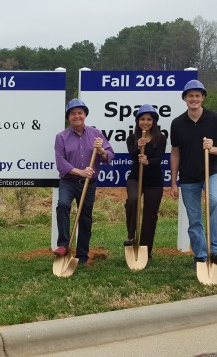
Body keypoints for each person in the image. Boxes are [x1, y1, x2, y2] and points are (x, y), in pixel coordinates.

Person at [170, 80, 217, 269]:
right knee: (194, 217)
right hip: (188, 176)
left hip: (211, 172)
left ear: (203, 97)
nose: (194, 99)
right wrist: (173, 181)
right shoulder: (177, 123)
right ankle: (200, 256)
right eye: (190, 96)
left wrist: (212, 148)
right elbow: (175, 152)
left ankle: (216, 251)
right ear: (185, 99)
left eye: (197, 95)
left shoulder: (216, 120)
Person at [54, 98, 114, 265]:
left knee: (85, 218)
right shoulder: (61, 137)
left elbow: (109, 156)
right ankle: (64, 245)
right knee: (63, 205)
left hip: (89, 184)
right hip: (69, 181)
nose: (77, 116)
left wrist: (101, 150)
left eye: (80, 113)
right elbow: (61, 163)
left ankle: (82, 255)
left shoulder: (96, 134)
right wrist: (80, 171)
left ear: (85, 115)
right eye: (73, 114)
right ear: (68, 117)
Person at [123, 104, 167, 261]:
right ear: (137, 121)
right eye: (142, 119)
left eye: (149, 119)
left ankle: (145, 249)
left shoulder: (160, 138)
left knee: (150, 214)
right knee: (133, 200)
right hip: (135, 178)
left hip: (154, 181)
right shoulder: (132, 138)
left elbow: (160, 158)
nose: (146, 122)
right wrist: (138, 147)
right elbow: (132, 155)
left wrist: (148, 161)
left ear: (154, 121)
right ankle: (131, 235)